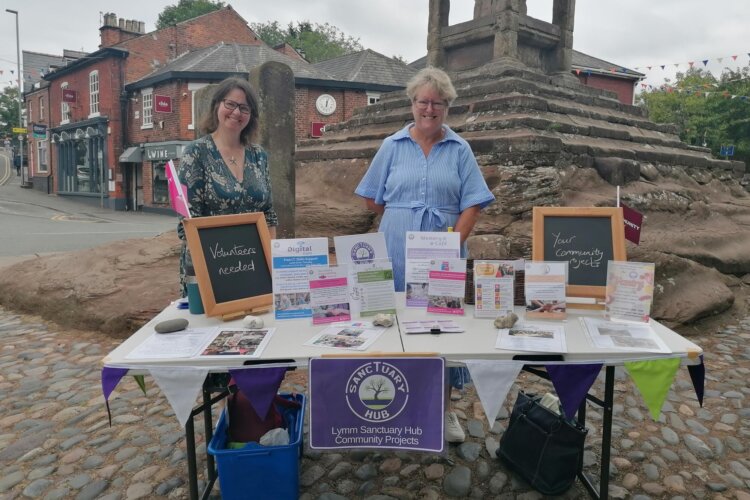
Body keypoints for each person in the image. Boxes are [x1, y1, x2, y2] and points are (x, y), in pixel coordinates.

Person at [355, 67, 495, 443]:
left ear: (447, 106)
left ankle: (445, 409)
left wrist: (451, 244)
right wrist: (402, 217)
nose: (429, 108)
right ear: (412, 103)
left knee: (441, 329)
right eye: (423, 101)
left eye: (437, 102)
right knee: (392, 324)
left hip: (442, 255)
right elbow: (371, 194)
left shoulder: (460, 149)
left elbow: (474, 204)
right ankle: (396, 402)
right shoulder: (392, 145)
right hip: (396, 253)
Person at [177, 77, 278, 296]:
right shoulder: (195, 153)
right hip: (210, 266)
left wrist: (272, 263)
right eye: (230, 104)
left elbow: (268, 214)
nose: (236, 112)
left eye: (244, 108)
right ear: (217, 106)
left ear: (251, 116)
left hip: (255, 265)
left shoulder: (259, 155)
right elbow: (187, 221)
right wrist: (210, 271)